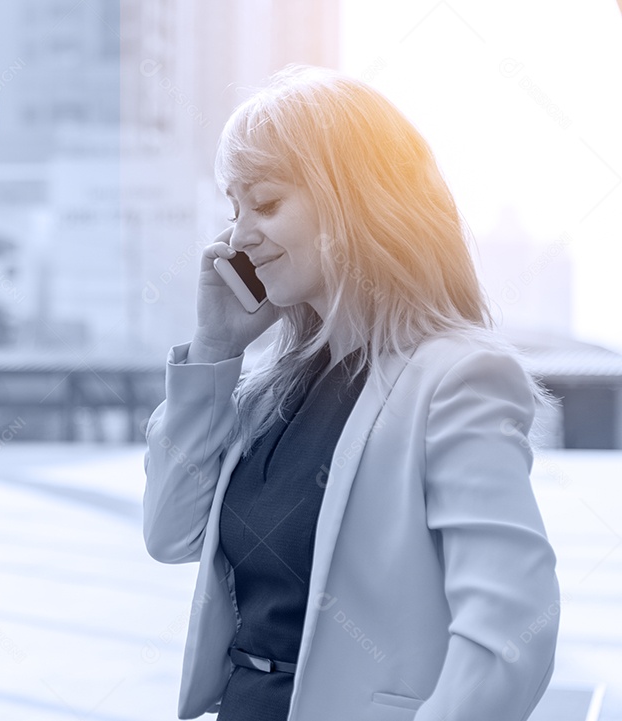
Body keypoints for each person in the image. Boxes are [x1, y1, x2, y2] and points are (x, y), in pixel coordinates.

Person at [142, 65, 561, 721]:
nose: (238, 235)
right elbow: (170, 533)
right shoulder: (268, 392)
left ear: (351, 204)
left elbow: (510, 633)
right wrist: (215, 350)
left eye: (268, 203)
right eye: (235, 208)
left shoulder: (457, 378)